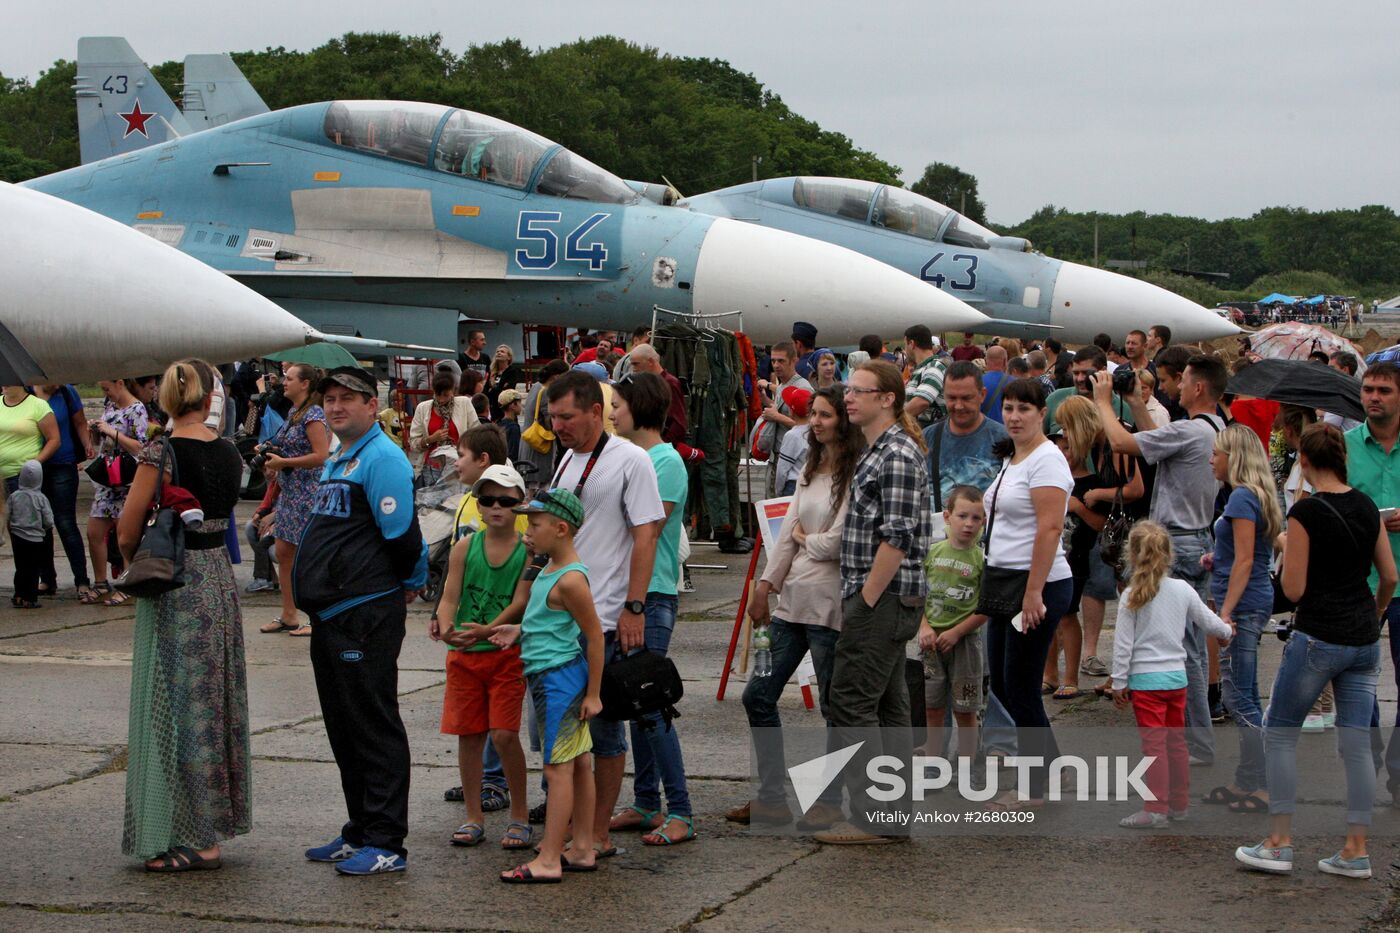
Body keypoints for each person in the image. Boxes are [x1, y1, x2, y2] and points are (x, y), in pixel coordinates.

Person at [1235, 424, 1397, 878]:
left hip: (1319, 637)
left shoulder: (1306, 511)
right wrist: (1376, 613)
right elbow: (1389, 576)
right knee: (1357, 745)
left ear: (1303, 461)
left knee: (1281, 733)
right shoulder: (1366, 506)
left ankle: (1280, 841)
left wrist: (1286, 544)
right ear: (1343, 456)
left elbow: (1293, 588)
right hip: (1363, 638)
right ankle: (1355, 849)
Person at [116, 359, 250, 871]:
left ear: (169, 397)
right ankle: (214, 820)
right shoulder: (229, 450)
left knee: (179, 709)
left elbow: (127, 530)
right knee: (215, 704)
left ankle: (195, 834)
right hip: (218, 578)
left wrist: (136, 568)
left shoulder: (161, 449)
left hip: (177, 581)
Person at [297, 366, 427, 876]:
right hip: (330, 616)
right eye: (329, 398)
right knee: (344, 728)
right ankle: (360, 829)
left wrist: (401, 585)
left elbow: (403, 537)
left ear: (373, 406)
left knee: (373, 726)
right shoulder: (338, 455)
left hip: (363, 615)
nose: (336, 407)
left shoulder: (381, 458)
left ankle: (387, 840)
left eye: (348, 398)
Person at [542, 370, 664, 858]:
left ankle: (598, 835)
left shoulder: (631, 460)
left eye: (567, 417)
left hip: (608, 614)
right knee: (567, 730)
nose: (558, 426)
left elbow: (646, 535)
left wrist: (636, 607)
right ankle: (578, 829)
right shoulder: (566, 458)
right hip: (561, 615)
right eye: (552, 418)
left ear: (597, 411)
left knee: (607, 728)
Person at [730, 385, 859, 829]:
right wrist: (766, 584)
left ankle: (827, 800)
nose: (816, 422)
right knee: (757, 696)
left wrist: (808, 540)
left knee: (833, 709)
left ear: (844, 420)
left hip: (830, 608)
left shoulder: (856, 473)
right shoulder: (810, 468)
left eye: (825, 415)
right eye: (814, 414)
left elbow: (836, 543)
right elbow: (788, 534)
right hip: (791, 606)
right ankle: (770, 798)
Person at [814, 361, 930, 845]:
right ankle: (892, 816)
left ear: (888, 398)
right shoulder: (877, 451)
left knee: (851, 702)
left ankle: (871, 818)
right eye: (849, 391)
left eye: (860, 392)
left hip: (881, 595)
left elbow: (897, 536)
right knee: (887, 704)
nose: (849, 400)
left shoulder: (896, 454)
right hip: (880, 595)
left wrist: (865, 597)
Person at [1094, 356, 1228, 766]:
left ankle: (1190, 744)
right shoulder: (1214, 427)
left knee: (1179, 648)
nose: (1176, 388)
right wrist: (1135, 402)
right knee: (1191, 647)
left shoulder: (1190, 429)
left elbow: (1123, 444)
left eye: (1182, 381)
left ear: (1199, 387)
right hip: (1199, 538)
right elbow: (1159, 445)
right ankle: (1197, 741)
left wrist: (1103, 400)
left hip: (1175, 544)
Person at [488, 488, 605, 883]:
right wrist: (519, 630)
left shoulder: (571, 579)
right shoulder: (550, 569)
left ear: (560, 528)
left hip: (559, 682)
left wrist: (593, 694)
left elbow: (595, 635)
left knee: (558, 771)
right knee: (580, 764)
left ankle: (550, 859)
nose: (528, 531)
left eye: (535, 525)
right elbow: (551, 622)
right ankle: (583, 847)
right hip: (552, 675)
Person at [605, 372, 695, 846]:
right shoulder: (633, 458)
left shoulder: (665, 461)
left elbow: (647, 528)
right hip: (624, 593)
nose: (612, 412)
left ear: (638, 406)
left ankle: (680, 810)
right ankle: (645, 803)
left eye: (617, 404)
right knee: (633, 704)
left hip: (652, 595)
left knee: (651, 703)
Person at [978, 378, 1075, 811]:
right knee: (1002, 681)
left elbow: (1050, 527)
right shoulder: (1015, 458)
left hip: (1038, 584)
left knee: (1020, 685)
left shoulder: (1048, 461)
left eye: (1024, 409)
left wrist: (1034, 592)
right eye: (1009, 408)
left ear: (1042, 414)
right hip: (1006, 582)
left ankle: (1037, 785)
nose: (1014, 416)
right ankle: (1051, 768)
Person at [431, 465, 532, 852]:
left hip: (505, 655)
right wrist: (445, 626)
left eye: (506, 501)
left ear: (520, 505)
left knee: (504, 734)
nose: (495, 507)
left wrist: (486, 631)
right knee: (469, 736)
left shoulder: (527, 550)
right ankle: (473, 816)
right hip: (465, 656)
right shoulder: (464, 547)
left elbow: (521, 602)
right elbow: (450, 596)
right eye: (487, 499)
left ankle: (519, 814)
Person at [1112, 522, 1233, 828]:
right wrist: (1226, 631)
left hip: (1146, 683)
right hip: (1177, 680)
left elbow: (1123, 645)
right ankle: (1179, 804)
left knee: (1154, 747)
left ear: (1132, 555)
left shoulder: (1131, 596)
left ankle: (1154, 807)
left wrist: (1118, 682)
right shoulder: (1182, 589)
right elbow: (1209, 621)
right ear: (1168, 555)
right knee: (1177, 744)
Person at [1200, 424, 1281, 813]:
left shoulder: (1241, 498)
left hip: (1244, 604)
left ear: (1234, 457)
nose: (1212, 459)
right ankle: (1248, 779)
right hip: (1251, 597)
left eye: (1217, 453)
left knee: (1238, 696)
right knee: (1244, 691)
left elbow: (1247, 559)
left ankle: (1264, 781)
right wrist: (1218, 558)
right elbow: (1246, 553)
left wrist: (1225, 612)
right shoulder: (1254, 496)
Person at [1046, 396, 1142, 700]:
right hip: (1082, 546)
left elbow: (1134, 492)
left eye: (1066, 430)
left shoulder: (1112, 449)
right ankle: (1057, 673)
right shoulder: (1095, 453)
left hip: (1115, 541)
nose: (1064, 438)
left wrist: (1095, 496)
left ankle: (1111, 676)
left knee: (1128, 607)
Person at [1344, 363, 1400, 796]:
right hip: (1357, 583)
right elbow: (1324, 504)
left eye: (1383, 390)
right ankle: (1370, 752)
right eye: (1368, 390)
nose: (1373, 397)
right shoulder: (1343, 448)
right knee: (1355, 682)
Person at [258, 363, 331, 638]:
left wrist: (284, 461)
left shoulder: (313, 415)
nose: (283, 382)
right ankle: (289, 613)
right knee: (284, 551)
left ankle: (315, 616)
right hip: (291, 492)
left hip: (307, 493)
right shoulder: (294, 412)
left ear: (305, 384)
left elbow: (321, 455)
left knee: (309, 556)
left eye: (289, 378)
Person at [916, 485, 988, 763]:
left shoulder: (982, 561)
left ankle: (968, 762)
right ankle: (935, 760)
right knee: (933, 706)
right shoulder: (932, 553)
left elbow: (986, 608)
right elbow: (918, 595)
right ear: (947, 517)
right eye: (962, 516)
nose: (969, 524)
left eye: (976, 518)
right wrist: (924, 627)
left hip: (965, 644)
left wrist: (958, 632)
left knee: (965, 709)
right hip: (931, 643)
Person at [87, 379, 149, 606]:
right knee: (94, 531)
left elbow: (141, 446)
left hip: (126, 478)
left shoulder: (137, 409)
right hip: (107, 477)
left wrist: (112, 433)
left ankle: (126, 582)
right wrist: (94, 432)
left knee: (124, 533)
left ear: (120, 383)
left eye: (107, 389)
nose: (106, 394)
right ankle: (100, 581)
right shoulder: (110, 407)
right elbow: (99, 442)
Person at [29, 384, 91, 599]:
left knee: (65, 522)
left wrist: (87, 444)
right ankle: (47, 578)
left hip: (63, 463)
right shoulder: (26, 391)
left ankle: (82, 580)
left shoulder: (66, 392)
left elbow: (80, 422)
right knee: (41, 524)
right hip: (33, 466)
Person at [924, 361, 1009, 515]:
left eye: (966, 398)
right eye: (952, 398)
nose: (958, 406)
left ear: (982, 395)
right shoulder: (926, 438)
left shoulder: (1005, 440)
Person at [1045, 346, 1135, 435]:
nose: (1080, 379)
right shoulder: (1055, 399)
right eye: (1076, 373)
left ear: (1103, 370)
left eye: (1086, 373)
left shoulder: (1124, 409)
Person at [409, 371, 479, 484]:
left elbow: (476, 434)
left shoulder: (464, 403)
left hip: (459, 467)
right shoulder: (423, 408)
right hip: (432, 468)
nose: (441, 399)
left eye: (446, 395)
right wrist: (431, 439)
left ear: (453, 391)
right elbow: (413, 444)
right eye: (438, 395)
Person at [8, 460, 53, 608]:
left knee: (21, 567)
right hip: (35, 538)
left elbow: (7, 514)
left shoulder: (14, 496)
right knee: (33, 569)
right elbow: (48, 519)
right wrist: (44, 528)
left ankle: (19, 595)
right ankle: (29, 598)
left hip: (17, 536)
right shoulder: (41, 498)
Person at [518, 359, 568, 479]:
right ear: (556, 377)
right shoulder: (547, 392)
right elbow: (550, 422)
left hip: (529, 442)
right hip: (539, 446)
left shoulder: (536, 386)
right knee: (537, 486)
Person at [904, 324, 948, 426]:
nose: (905, 350)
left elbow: (921, 402)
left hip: (929, 434)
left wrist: (892, 423)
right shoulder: (923, 368)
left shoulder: (934, 367)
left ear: (911, 344)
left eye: (905, 345)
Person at [774, 387, 813, 497]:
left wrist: (778, 492)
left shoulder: (792, 436)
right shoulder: (815, 432)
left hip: (793, 486)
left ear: (791, 411)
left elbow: (782, 470)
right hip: (810, 484)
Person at [486, 345, 526, 421]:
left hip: (506, 411)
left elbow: (507, 391)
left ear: (509, 357)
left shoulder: (512, 372)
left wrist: (492, 389)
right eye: (497, 351)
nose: (499, 353)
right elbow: (485, 391)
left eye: (502, 352)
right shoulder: (492, 372)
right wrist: (499, 388)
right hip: (493, 411)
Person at [1324, 352, 1362, 432]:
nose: (1327, 371)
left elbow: (1328, 428)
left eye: (1332, 368)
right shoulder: (1359, 388)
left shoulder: (1339, 392)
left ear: (1345, 370)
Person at [980, 346, 1010, 423]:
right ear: (1005, 361)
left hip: (984, 430)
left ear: (986, 361)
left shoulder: (977, 382)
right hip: (1008, 431)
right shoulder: (1016, 383)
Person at [497, 389, 523, 462]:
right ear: (513, 405)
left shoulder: (499, 424)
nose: (521, 405)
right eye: (519, 402)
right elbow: (514, 454)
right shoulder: (513, 428)